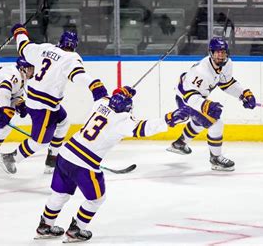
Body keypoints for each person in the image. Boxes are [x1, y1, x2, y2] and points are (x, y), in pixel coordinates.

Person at [29, 86, 189, 242]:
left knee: (60, 194)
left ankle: (45, 226)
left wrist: (120, 92)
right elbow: (144, 128)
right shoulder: (123, 121)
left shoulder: (101, 103)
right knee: (96, 199)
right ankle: (76, 229)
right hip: (85, 164)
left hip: (65, 154)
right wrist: (170, 119)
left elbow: (98, 88)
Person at [0, 24, 108, 174]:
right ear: (75, 46)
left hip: (38, 100)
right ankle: (10, 158)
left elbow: (23, 47)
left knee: (63, 122)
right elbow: (78, 75)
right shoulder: (71, 57)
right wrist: (94, 85)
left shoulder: (45, 48)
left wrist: (19, 31)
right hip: (43, 105)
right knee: (40, 141)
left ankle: (52, 159)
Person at [166, 37, 256, 171]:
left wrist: (243, 94)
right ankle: (216, 159)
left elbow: (226, 83)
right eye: (217, 52)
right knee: (215, 123)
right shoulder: (201, 71)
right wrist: (206, 106)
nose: (220, 55)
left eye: (223, 52)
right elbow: (189, 95)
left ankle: (179, 144)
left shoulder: (226, 64)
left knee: (200, 122)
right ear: (211, 53)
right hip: (186, 98)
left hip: (198, 96)